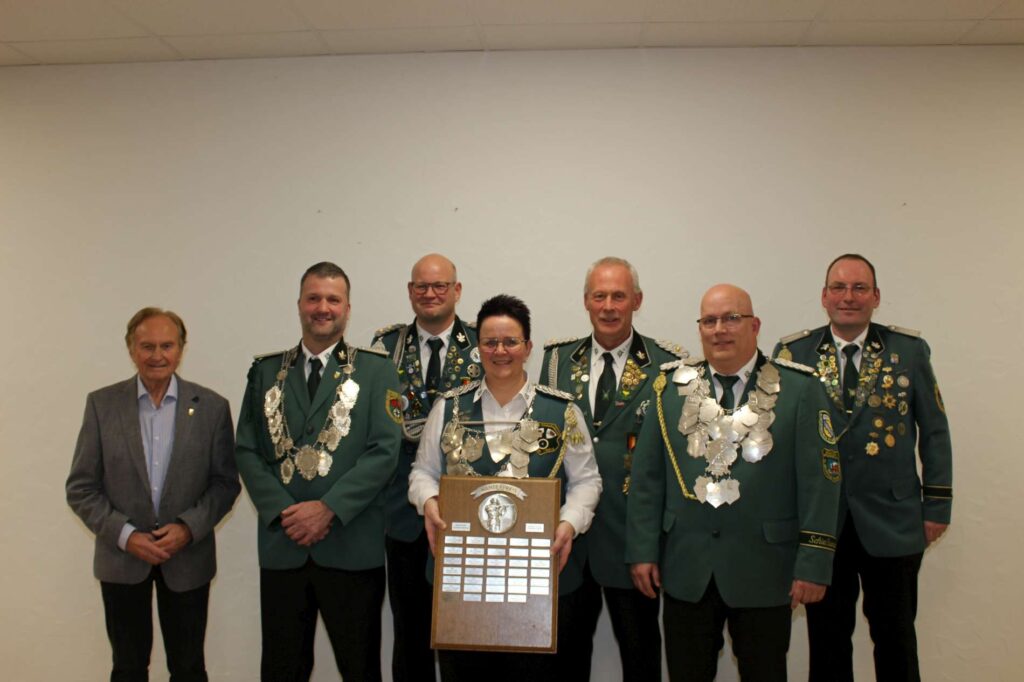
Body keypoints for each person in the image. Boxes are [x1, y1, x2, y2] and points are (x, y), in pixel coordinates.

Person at [627, 284, 841, 682]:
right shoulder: (667, 389)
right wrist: (641, 550)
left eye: (731, 319)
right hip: (687, 567)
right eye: (709, 321)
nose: (719, 330)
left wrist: (814, 563)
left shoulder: (799, 389)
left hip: (766, 568)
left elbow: (821, 482)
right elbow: (646, 479)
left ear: (755, 325)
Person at [773, 254, 952, 682]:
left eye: (859, 288)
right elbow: (780, 442)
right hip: (822, 526)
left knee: (896, 637)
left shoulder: (907, 351)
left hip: (893, 520)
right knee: (827, 641)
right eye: (838, 287)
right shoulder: (794, 353)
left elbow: (934, 431)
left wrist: (936, 506)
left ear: (876, 296)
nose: (848, 297)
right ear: (824, 296)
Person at [409, 294, 603, 682]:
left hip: (540, 577)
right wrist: (428, 501)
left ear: (527, 348)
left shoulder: (562, 411)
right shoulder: (449, 408)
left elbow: (587, 481)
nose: (500, 351)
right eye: (490, 342)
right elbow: (422, 472)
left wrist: (568, 524)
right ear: (478, 347)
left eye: (510, 342)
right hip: (463, 578)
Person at [235, 262, 403, 681]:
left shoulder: (377, 370)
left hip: (351, 544)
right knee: (281, 669)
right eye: (313, 298)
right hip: (284, 542)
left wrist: (328, 508)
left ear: (347, 308)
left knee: (360, 669)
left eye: (332, 299)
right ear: (299, 305)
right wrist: (283, 512)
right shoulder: (266, 371)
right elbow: (247, 449)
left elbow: (385, 451)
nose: (322, 308)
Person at [66, 307, 240, 682]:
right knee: (128, 667)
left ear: (181, 349)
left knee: (188, 668)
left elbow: (226, 484)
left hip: (188, 558)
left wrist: (188, 529)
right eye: (147, 346)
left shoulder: (211, 408)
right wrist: (126, 535)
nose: (157, 355)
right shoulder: (102, 405)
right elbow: (80, 488)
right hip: (122, 559)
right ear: (131, 349)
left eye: (167, 345)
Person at [539, 257, 686, 681]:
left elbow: (672, 459)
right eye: (599, 296)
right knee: (564, 661)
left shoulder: (667, 364)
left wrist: (651, 545)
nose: (608, 306)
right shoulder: (556, 361)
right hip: (568, 542)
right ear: (586, 301)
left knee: (641, 657)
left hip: (632, 541)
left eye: (618, 296)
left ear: (637, 301)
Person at [371, 253, 480, 682]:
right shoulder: (385, 348)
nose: (430, 293)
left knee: (464, 632)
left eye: (440, 286)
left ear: (457, 290)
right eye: (421, 286)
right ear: (410, 291)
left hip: (467, 513)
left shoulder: (482, 343)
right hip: (403, 512)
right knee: (410, 631)